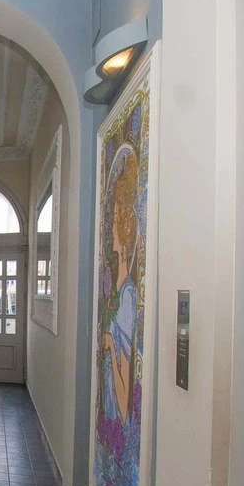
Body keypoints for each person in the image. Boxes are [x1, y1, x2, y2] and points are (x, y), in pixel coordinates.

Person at [102, 151, 139, 427]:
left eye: (115, 216)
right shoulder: (116, 287)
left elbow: (125, 405)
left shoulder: (127, 296)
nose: (111, 225)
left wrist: (111, 344)